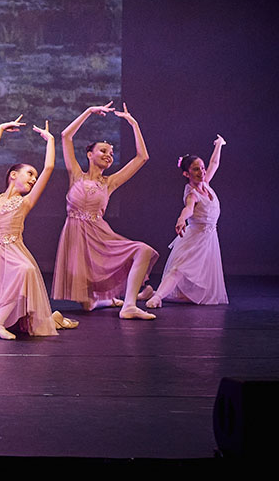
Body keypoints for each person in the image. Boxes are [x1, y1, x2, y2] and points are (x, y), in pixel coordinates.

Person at [0, 116, 75, 339]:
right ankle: (50, 319)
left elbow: (49, 167)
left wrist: (50, 141)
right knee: (6, 287)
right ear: (13, 175)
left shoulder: (25, 202)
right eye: (30, 174)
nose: (34, 179)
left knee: (25, 270)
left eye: (35, 177)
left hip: (13, 251)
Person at [52, 102, 158, 320]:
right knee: (87, 305)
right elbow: (66, 136)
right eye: (103, 151)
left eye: (111, 153)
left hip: (99, 235)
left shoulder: (110, 183)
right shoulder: (76, 175)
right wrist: (89, 111)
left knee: (143, 250)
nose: (109, 155)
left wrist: (133, 124)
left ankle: (129, 305)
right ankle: (114, 301)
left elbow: (142, 158)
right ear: (89, 154)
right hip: (76, 237)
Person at [145, 135, 228, 307]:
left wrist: (219, 144)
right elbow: (188, 209)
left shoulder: (205, 183)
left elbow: (214, 163)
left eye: (202, 168)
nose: (201, 172)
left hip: (209, 240)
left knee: (199, 294)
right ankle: (156, 297)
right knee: (179, 269)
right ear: (186, 173)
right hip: (195, 238)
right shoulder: (192, 193)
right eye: (196, 169)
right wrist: (181, 219)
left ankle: (150, 293)